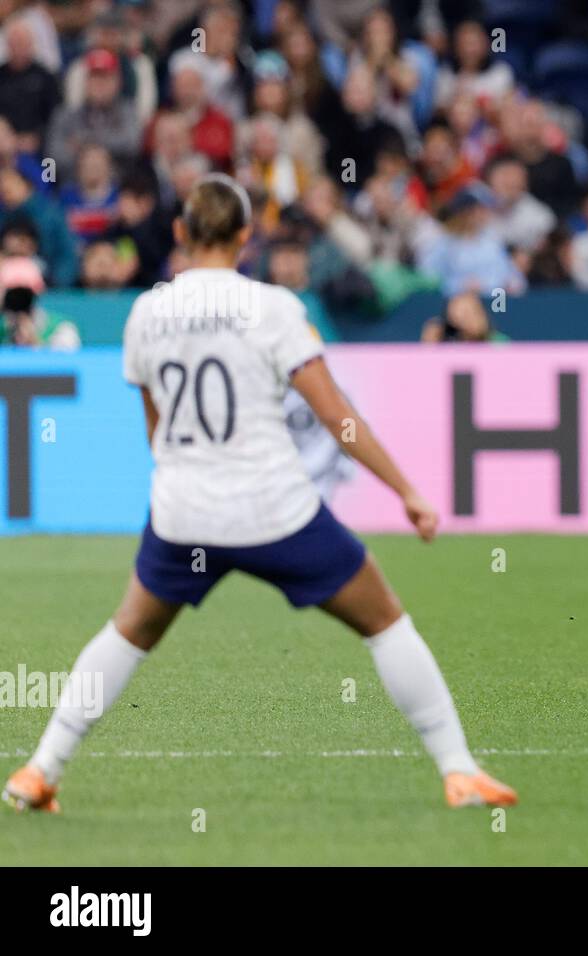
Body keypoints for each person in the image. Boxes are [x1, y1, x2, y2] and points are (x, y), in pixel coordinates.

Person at [2, 175, 516, 813]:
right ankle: (458, 770)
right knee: (385, 621)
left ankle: (40, 769)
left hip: (185, 514)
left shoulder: (147, 312)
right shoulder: (273, 308)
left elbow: (155, 426)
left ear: (183, 233)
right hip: (275, 511)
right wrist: (405, 488)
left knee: (127, 633)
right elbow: (338, 418)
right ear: (247, 238)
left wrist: (178, 481)